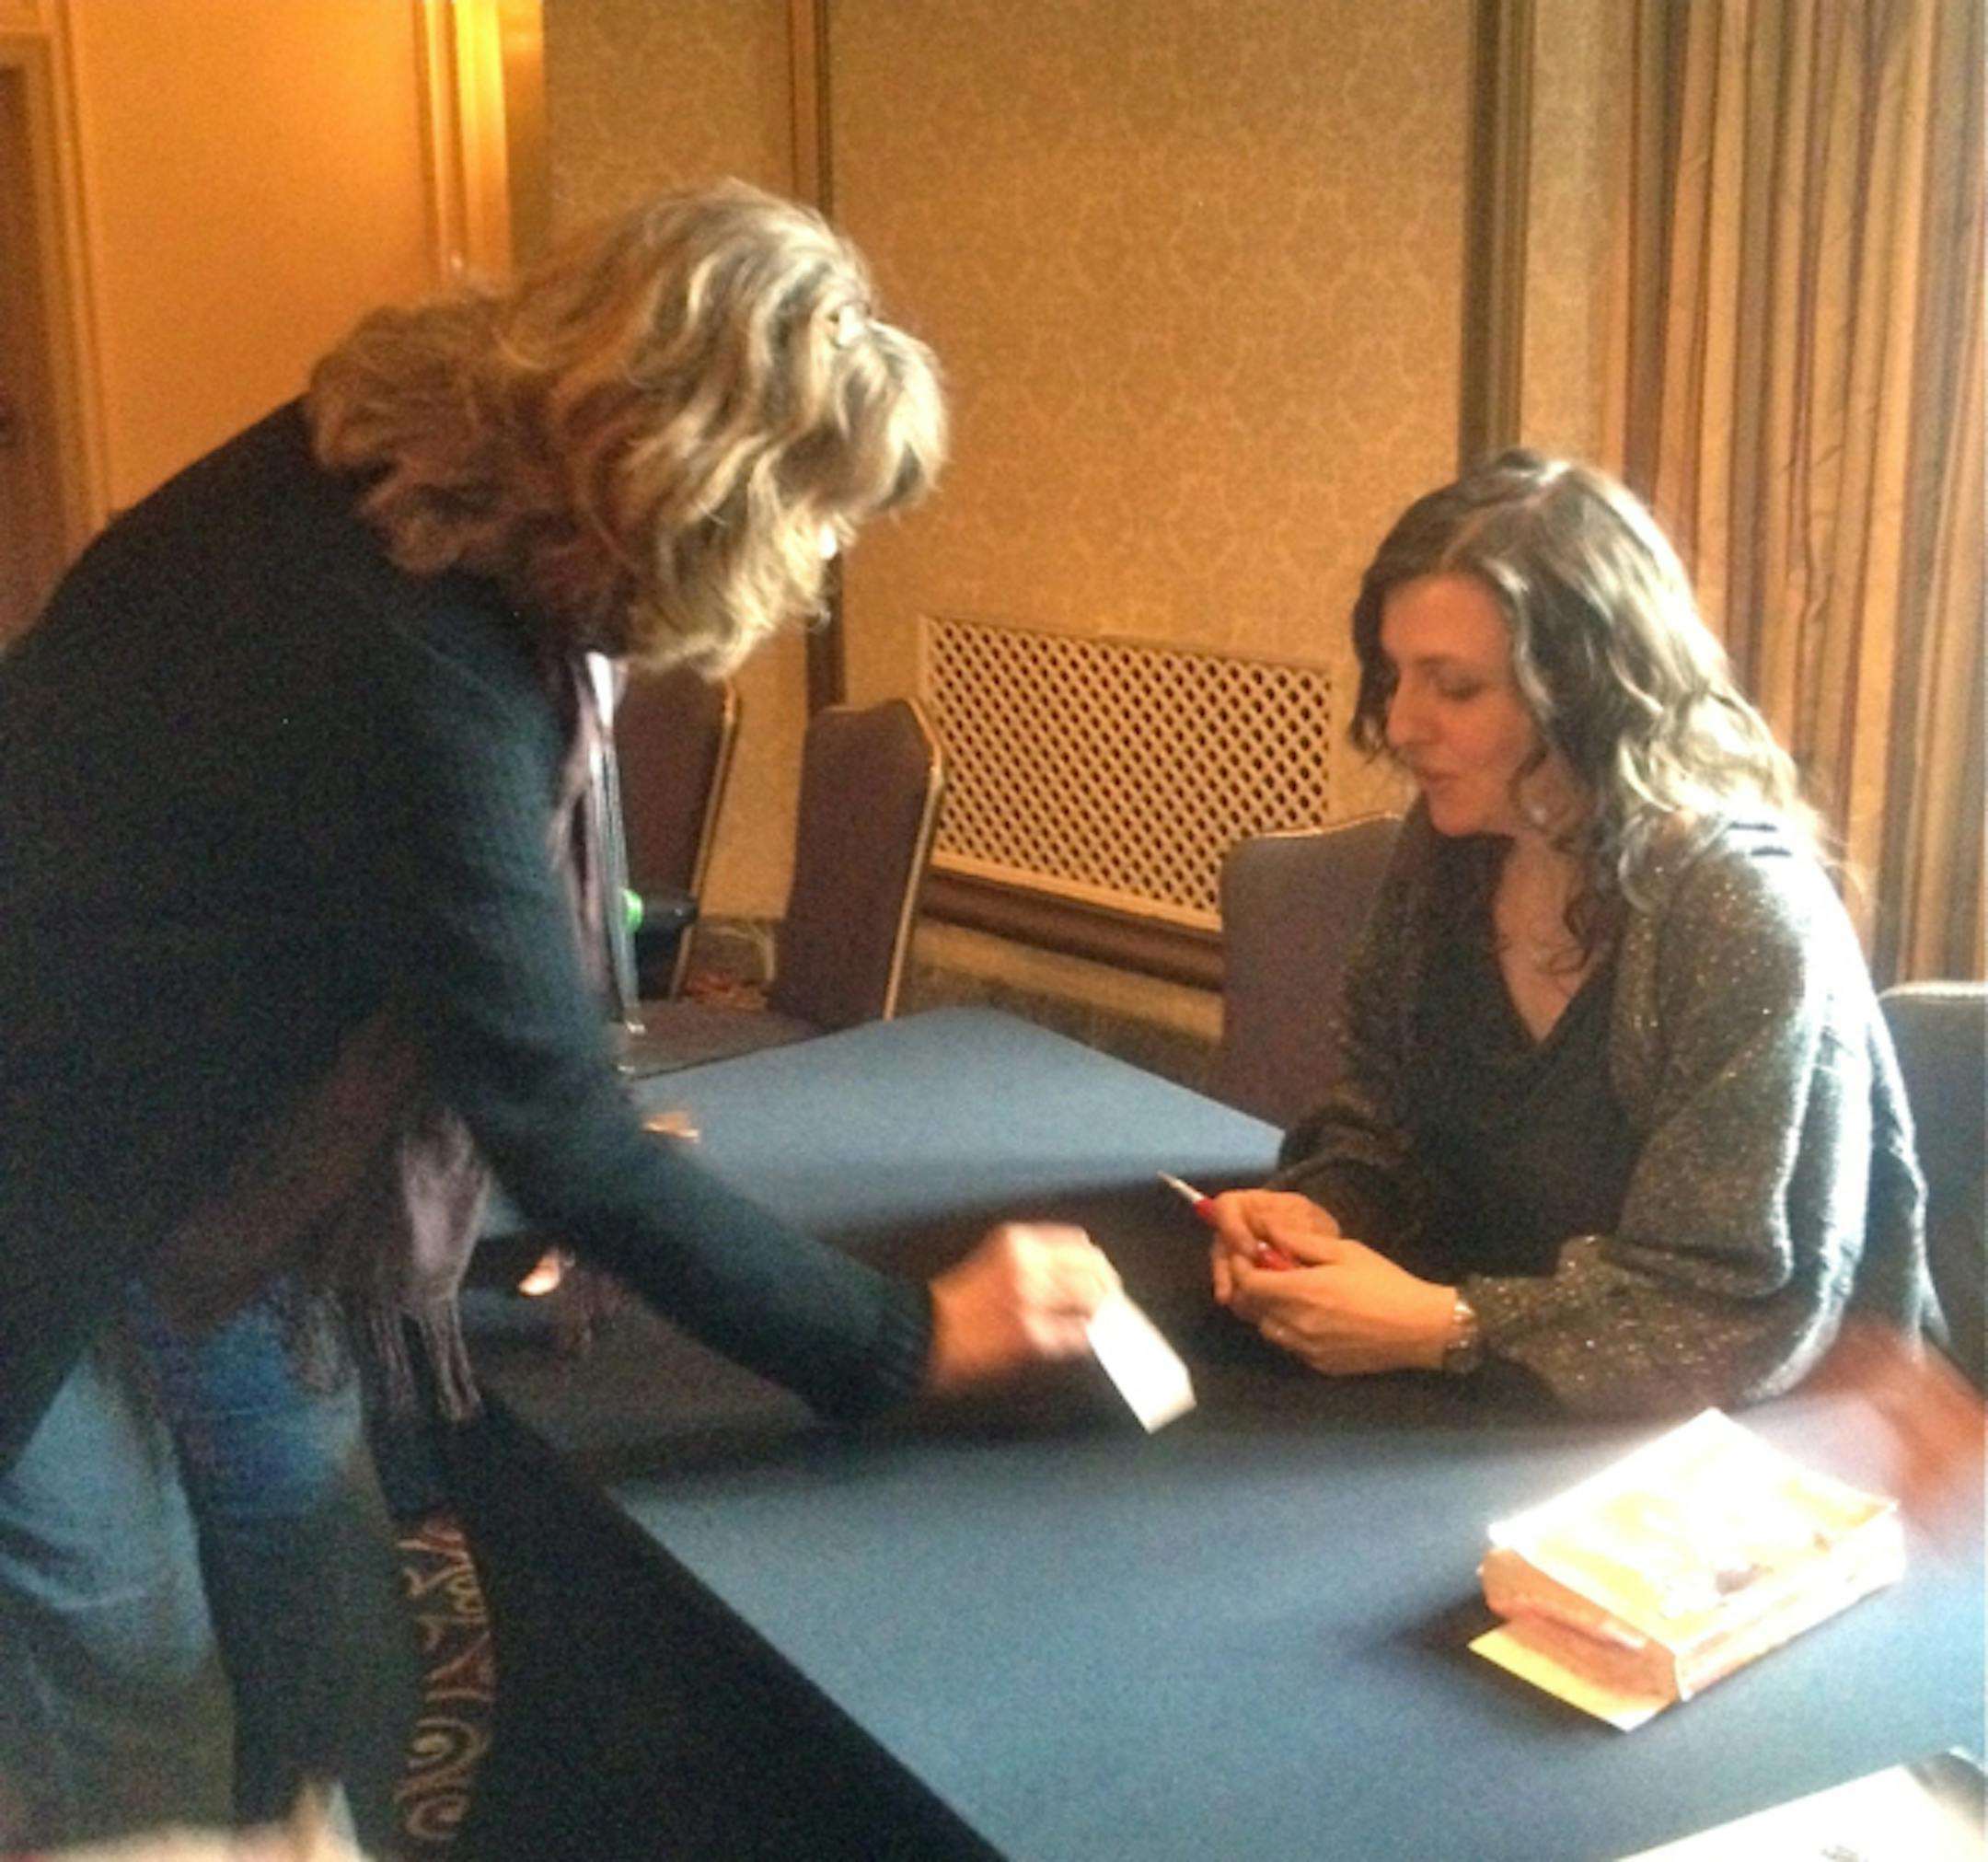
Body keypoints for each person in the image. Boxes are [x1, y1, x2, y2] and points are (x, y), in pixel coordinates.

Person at [0, 183, 1118, 1853]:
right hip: (42, 1183)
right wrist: (912, 1339)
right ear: (705, 483)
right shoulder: (407, 637)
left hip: (202, 1167)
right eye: (816, 515)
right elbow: (566, 1136)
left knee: (339, 1641)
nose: (819, 568)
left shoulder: (418, 481)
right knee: (141, 1692)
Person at [1204, 450, 1938, 1417]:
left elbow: (1732, 1308)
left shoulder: (1739, 910)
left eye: (1454, 687)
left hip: (1747, 1443)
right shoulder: (1452, 849)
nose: (1400, 722)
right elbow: (1382, 1118)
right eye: (1393, 675)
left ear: (1590, 695)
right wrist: (1326, 1206)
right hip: (1502, 1399)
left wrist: (1447, 1324)